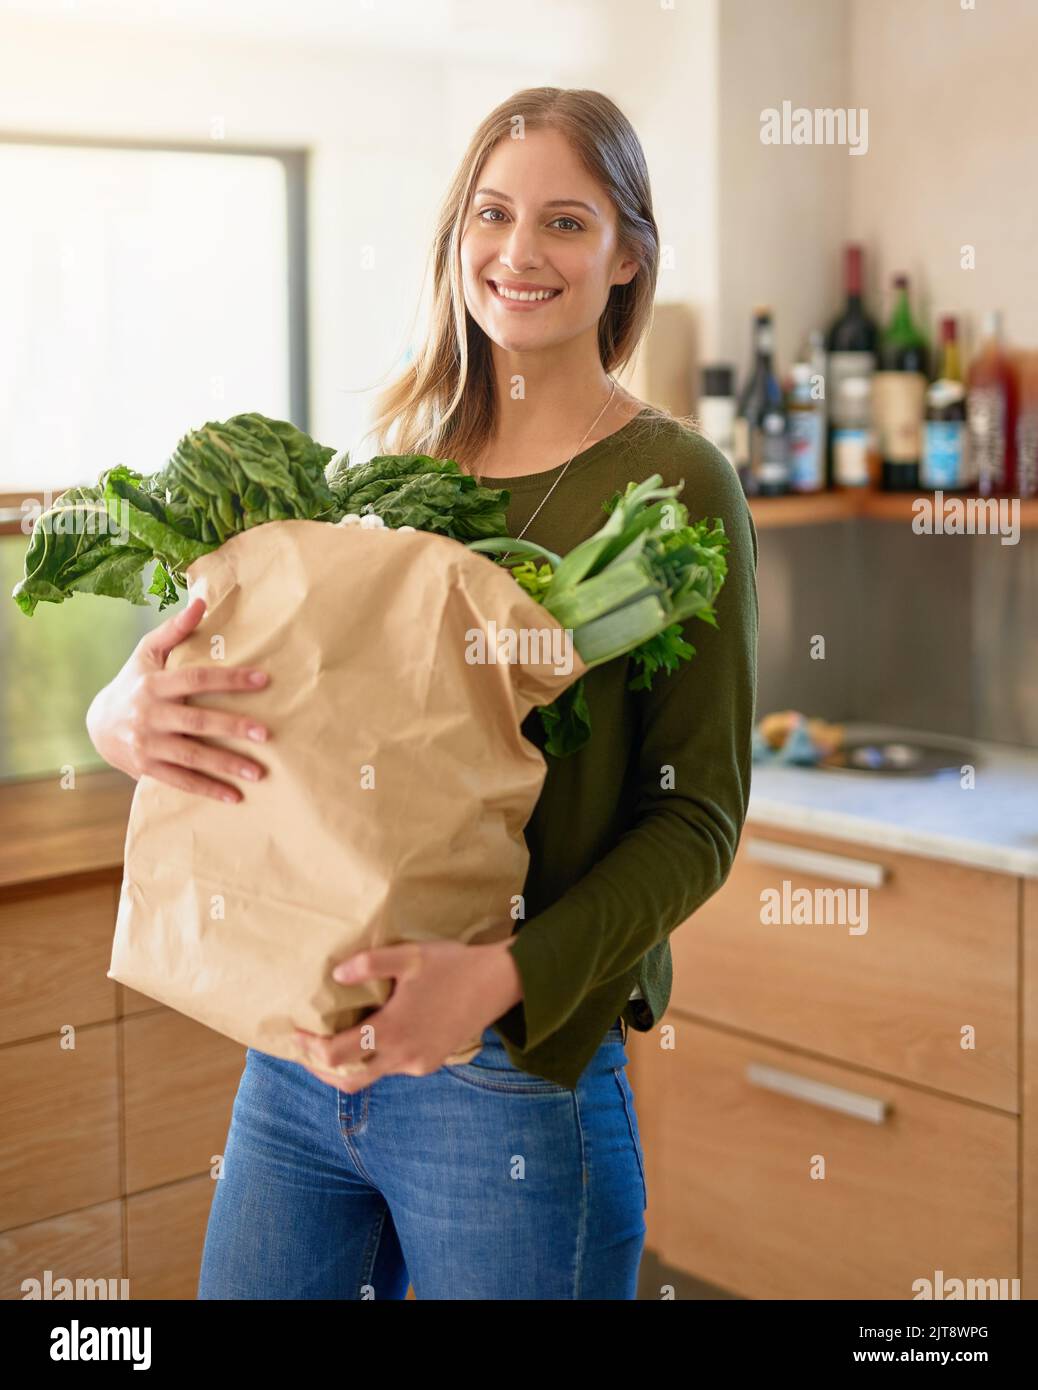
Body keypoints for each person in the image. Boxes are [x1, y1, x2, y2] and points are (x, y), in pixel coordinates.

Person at [87, 87, 758, 1299]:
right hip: (302, 1056)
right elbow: (300, 730)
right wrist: (119, 716)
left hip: (511, 1075)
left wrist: (495, 979)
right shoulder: (395, 469)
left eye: (565, 221)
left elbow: (697, 820)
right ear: (456, 235)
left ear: (626, 257)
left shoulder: (672, 483)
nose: (518, 253)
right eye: (492, 214)